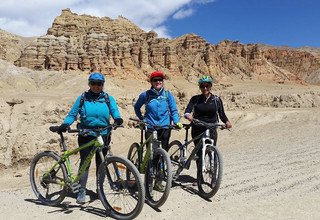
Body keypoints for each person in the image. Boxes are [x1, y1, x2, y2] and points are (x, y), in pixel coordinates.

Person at [58, 72, 123, 204]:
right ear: (89, 84)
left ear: (102, 85)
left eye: (99, 84)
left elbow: (114, 110)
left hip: (103, 134)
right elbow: (73, 114)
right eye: (93, 83)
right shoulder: (83, 98)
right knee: (85, 163)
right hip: (86, 135)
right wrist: (66, 123)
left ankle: (100, 189)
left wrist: (117, 118)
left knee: (101, 164)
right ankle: (81, 190)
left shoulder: (107, 98)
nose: (96, 86)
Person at [134, 71, 182, 191]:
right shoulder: (146, 95)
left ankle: (159, 181)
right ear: (151, 82)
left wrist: (176, 121)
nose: (158, 82)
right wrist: (142, 119)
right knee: (152, 154)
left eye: (160, 80)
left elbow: (173, 110)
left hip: (164, 127)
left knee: (162, 155)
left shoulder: (167, 95)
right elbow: (137, 107)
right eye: (155, 80)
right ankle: (149, 181)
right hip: (150, 127)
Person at [184, 75, 232, 184]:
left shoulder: (216, 100)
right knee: (200, 153)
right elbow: (187, 110)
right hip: (197, 128)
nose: (205, 88)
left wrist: (227, 122)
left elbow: (222, 114)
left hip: (211, 128)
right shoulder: (195, 99)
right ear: (200, 87)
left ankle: (214, 177)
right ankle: (199, 177)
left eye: (207, 86)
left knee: (212, 153)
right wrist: (188, 115)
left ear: (210, 86)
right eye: (202, 86)